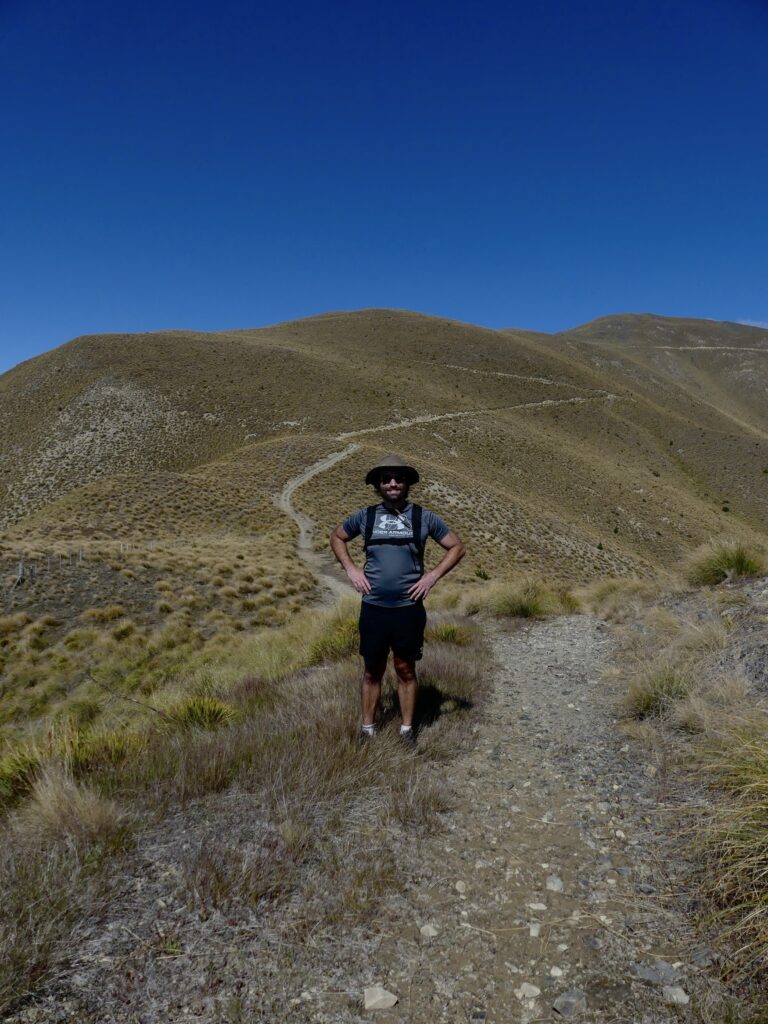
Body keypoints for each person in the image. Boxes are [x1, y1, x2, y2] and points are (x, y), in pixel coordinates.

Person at [330, 455, 465, 744]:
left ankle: (407, 731)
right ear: (378, 486)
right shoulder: (365, 517)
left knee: (405, 669)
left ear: (407, 484)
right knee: (372, 670)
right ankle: (367, 729)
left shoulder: (423, 517)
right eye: (386, 479)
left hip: (408, 610)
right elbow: (337, 537)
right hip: (374, 608)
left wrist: (432, 576)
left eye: (398, 478)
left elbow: (456, 547)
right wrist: (351, 569)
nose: (392, 483)